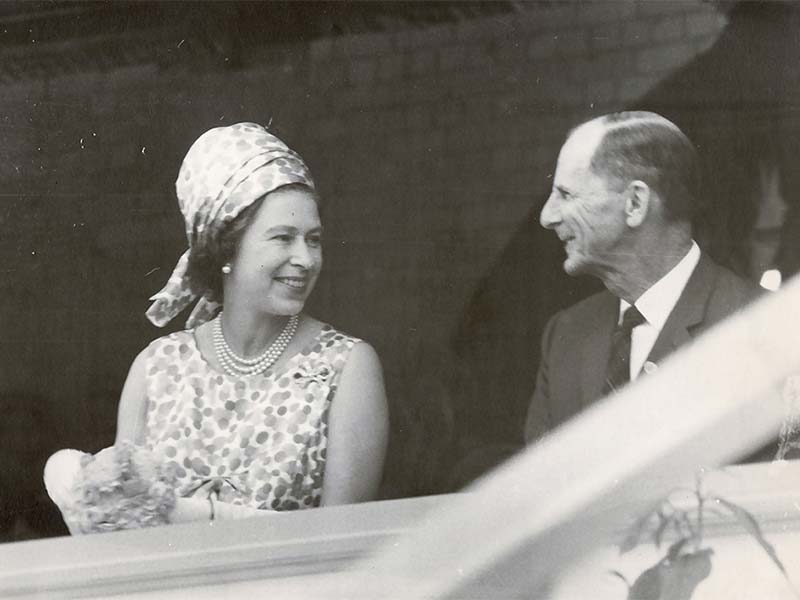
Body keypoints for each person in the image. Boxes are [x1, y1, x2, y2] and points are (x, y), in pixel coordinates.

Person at [114, 122, 388, 521]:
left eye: (313, 239)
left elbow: (342, 538)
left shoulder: (345, 369)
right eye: (283, 238)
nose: (306, 259)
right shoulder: (156, 370)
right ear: (226, 248)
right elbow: (122, 524)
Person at [524, 111, 763, 446]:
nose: (547, 216)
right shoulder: (565, 335)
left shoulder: (765, 328)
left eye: (566, 195)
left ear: (635, 203)